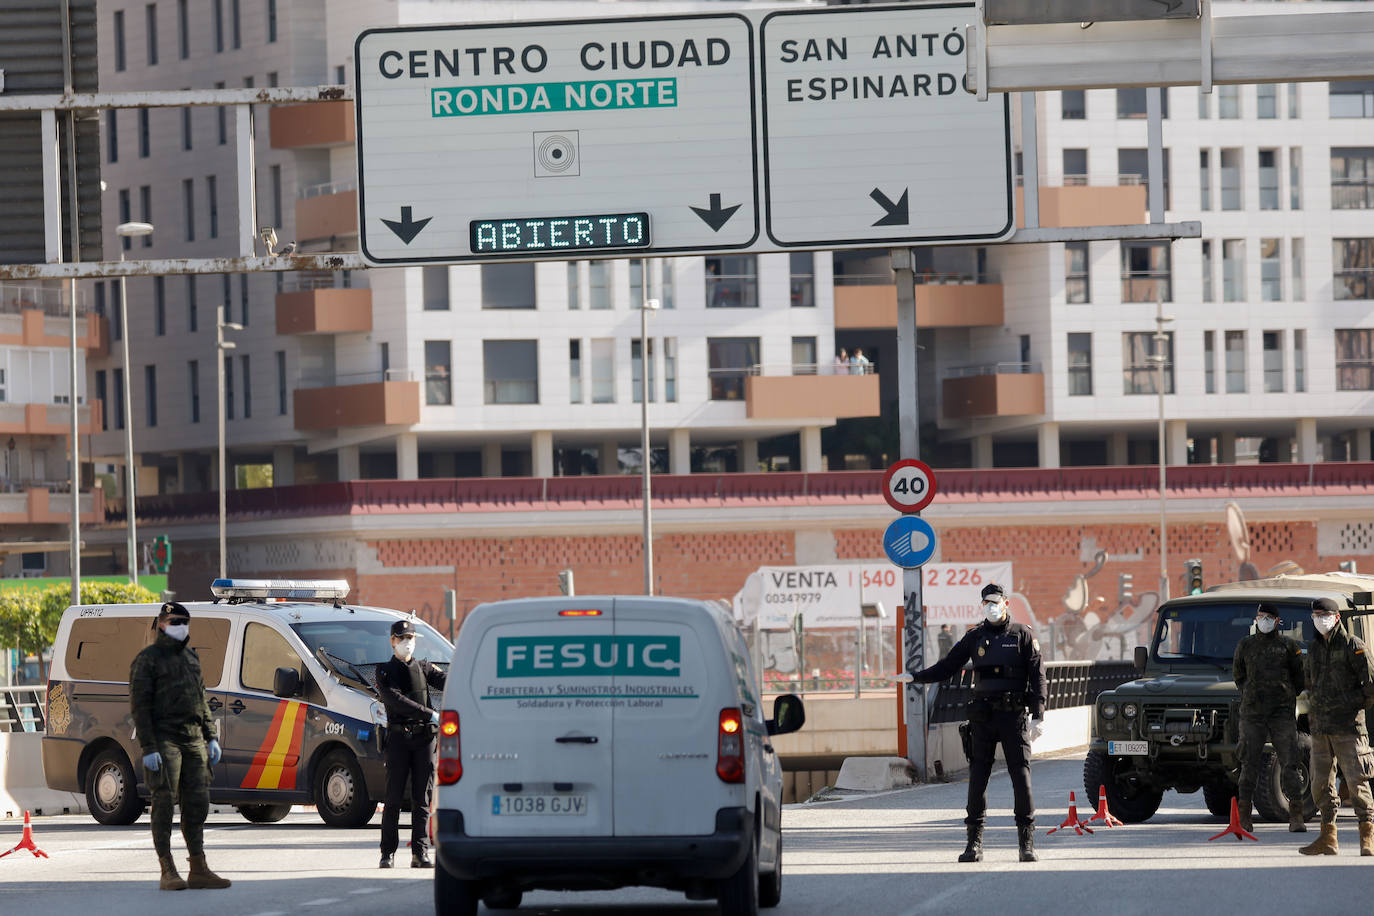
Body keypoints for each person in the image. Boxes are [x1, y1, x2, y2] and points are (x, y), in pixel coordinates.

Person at [909, 584, 1047, 863]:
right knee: (977, 779)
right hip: (982, 716)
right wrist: (916, 677)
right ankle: (974, 843)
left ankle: (1026, 843)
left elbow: (1038, 676)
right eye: (986, 602)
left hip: (1013, 716)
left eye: (995, 602)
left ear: (1006, 603)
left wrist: (1039, 714)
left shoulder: (1023, 635)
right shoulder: (975, 637)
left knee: (1021, 778)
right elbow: (948, 666)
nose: (990, 606)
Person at [129, 601, 231, 891]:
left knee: (198, 803)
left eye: (184, 622)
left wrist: (211, 736)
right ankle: (167, 869)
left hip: (193, 738)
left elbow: (201, 700)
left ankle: (198, 868)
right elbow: (140, 706)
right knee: (163, 801)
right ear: (161, 624)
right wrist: (148, 747)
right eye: (174, 621)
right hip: (164, 739)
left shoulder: (191, 658)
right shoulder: (147, 660)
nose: (180, 626)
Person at [1299, 597, 1374, 856]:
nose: (1319, 619)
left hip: (1348, 728)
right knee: (1320, 783)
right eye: (1315, 615)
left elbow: (1371, 688)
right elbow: (1309, 685)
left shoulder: (1354, 646)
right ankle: (1327, 838)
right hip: (1320, 730)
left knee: (1357, 782)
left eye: (1324, 614)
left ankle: (1367, 837)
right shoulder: (1314, 649)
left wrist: (1349, 706)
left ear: (1336, 617)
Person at [376, 618, 447, 868]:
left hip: (424, 739)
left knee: (423, 797)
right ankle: (388, 853)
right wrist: (429, 713)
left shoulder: (425, 667)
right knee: (393, 798)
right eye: (402, 639)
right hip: (398, 738)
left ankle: (420, 853)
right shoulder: (384, 671)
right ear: (392, 641)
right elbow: (394, 700)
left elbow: (447, 681)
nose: (407, 643)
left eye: (411, 639)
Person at [1232, 603, 1306, 833]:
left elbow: (1299, 678)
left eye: (1267, 617)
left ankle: (1296, 816)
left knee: (1290, 763)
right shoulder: (1245, 645)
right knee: (1248, 764)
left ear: (1277, 621)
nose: (1262, 620)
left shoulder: (1288, 646)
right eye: (1260, 616)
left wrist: (1283, 695)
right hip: (1253, 714)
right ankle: (1244, 816)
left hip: (1282, 713)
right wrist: (1251, 694)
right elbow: (1239, 676)